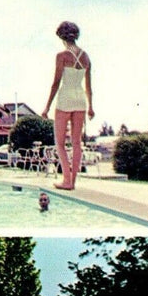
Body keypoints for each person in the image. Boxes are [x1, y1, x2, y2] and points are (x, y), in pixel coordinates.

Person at [41, 21, 95, 190]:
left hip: (65, 99)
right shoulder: (86, 57)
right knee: (76, 142)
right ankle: (73, 181)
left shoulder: (62, 56)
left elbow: (55, 83)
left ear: (61, 37)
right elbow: (89, 87)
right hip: (80, 100)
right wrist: (91, 107)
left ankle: (66, 179)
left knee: (60, 143)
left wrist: (47, 107)